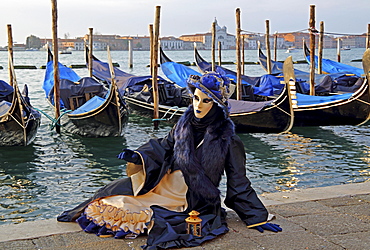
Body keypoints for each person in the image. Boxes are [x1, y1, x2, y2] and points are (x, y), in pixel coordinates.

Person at [57, 71, 282, 249]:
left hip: (193, 196)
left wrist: (256, 217)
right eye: (196, 98)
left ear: (216, 105)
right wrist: (137, 156)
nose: (199, 105)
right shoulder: (182, 126)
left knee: (150, 215)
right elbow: (163, 147)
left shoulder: (228, 139)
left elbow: (238, 180)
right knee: (109, 197)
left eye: (206, 101)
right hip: (163, 183)